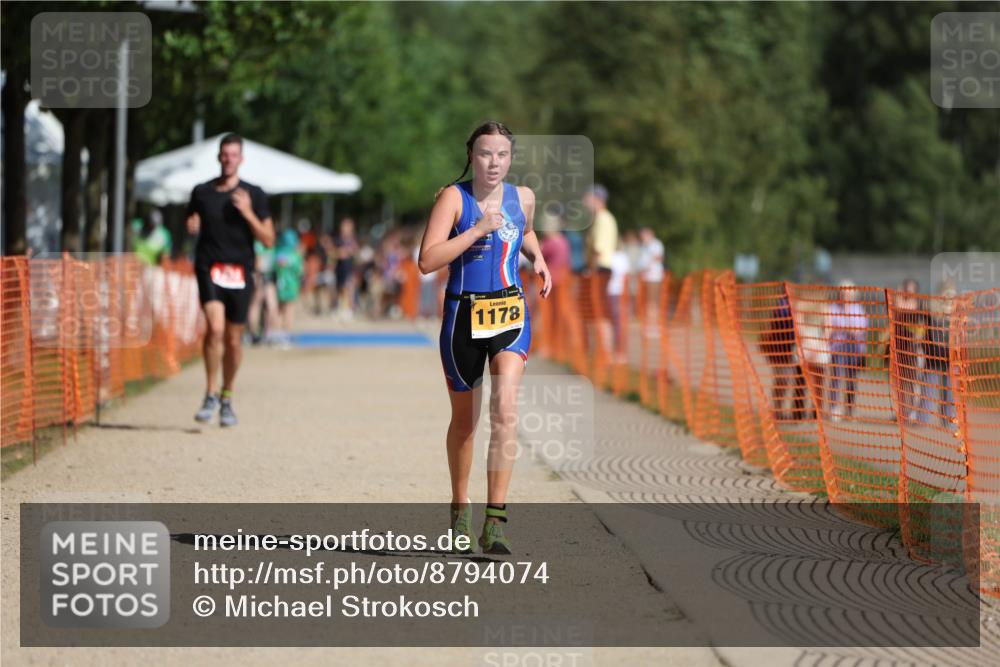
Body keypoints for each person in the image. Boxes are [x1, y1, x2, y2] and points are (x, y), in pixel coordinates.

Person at [418, 121, 551, 554]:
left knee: (506, 409)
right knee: (465, 423)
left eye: (502, 155)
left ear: (511, 158)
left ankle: (496, 521)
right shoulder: (453, 198)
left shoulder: (523, 197)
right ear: (471, 156)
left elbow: (525, 229)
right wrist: (476, 230)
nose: (494, 163)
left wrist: (539, 259)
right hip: (462, 315)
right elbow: (427, 260)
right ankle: (460, 507)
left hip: (510, 312)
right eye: (485, 154)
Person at [185, 133, 275, 427]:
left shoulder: (255, 194)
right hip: (209, 266)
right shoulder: (201, 192)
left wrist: (248, 212)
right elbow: (191, 219)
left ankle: (227, 395)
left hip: (240, 271)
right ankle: (210, 392)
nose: (228, 159)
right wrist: (192, 224)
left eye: (234, 155)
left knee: (234, 340)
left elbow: (268, 239)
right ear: (218, 157)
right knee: (215, 328)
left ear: (241, 159)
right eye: (224, 154)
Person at [827, 281, 868, 421]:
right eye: (843, 292)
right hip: (837, 348)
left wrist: (844, 328)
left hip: (854, 350)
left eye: (848, 292)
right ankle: (834, 408)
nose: (845, 295)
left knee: (851, 380)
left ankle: (849, 409)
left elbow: (859, 330)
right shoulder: (833, 307)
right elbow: (829, 327)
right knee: (836, 378)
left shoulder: (858, 310)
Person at [274, 228, 304, 347]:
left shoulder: (278, 253)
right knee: (289, 310)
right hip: (292, 285)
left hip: (280, 284)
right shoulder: (295, 255)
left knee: (279, 310)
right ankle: (287, 335)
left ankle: (277, 334)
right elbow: (299, 271)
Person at [332, 218, 360, 319]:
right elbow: (332, 253)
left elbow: (356, 252)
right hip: (339, 268)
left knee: (349, 288)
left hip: (350, 268)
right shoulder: (337, 240)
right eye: (344, 226)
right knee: (340, 289)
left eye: (347, 226)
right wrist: (338, 253)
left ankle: (350, 310)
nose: (345, 228)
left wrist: (348, 252)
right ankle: (339, 309)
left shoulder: (353, 240)